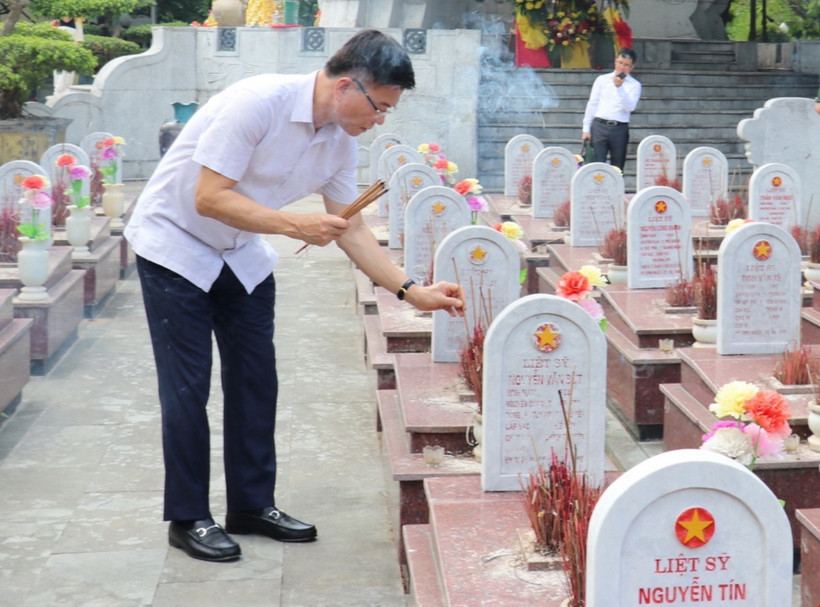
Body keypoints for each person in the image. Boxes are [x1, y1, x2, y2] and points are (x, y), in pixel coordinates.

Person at [124, 29, 465, 563]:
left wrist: (410, 290)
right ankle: (189, 516)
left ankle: (252, 506)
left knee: (257, 379)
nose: (380, 121)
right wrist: (293, 224)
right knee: (188, 387)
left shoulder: (340, 140)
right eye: (380, 107)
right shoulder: (257, 103)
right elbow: (209, 197)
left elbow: (349, 226)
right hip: (175, 245)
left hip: (240, 254)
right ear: (347, 86)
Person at [581, 48, 641, 171]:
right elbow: (592, 104)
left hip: (619, 128)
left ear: (631, 67)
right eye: (620, 63)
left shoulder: (635, 85)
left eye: (626, 65)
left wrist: (620, 88)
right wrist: (586, 128)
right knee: (596, 165)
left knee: (617, 166)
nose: (622, 67)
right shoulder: (602, 80)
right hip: (599, 125)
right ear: (615, 62)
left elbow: (630, 107)